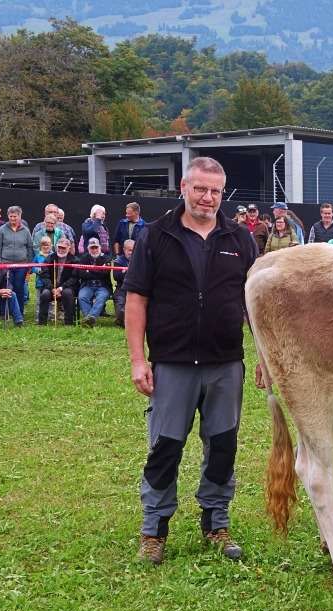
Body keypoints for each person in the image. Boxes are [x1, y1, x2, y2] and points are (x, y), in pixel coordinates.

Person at [123, 156, 258, 565]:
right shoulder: (156, 235)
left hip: (225, 364)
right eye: (200, 188)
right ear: (184, 187)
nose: (207, 197)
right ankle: (154, 530)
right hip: (172, 363)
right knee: (165, 447)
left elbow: (254, 304)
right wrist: (138, 360)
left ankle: (216, 523)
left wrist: (266, 358)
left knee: (223, 446)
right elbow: (136, 299)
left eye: (215, 191)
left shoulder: (239, 239)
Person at [0, 205, 36, 320]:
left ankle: (19, 313)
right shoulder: (2, 229)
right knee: (7, 288)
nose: (13, 218)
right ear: (8, 216)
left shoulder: (25, 230)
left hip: (21, 265)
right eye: (11, 216)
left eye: (15, 216)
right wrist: (0, 263)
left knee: (19, 288)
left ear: (20, 216)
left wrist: (29, 264)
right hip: (5, 265)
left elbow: (30, 247)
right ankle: (5, 313)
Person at [36, 238, 77, 326]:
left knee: (68, 293)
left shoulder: (74, 260)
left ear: (69, 248)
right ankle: (42, 323)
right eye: (59, 247)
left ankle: (69, 323)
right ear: (56, 247)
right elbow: (44, 275)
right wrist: (52, 288)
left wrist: (61, 288)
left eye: (63, 248)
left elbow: (74, 278)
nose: (61, 250)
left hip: (66, 287)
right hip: (51, 287)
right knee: (45, 294)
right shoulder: (50, 258)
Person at [75, 238, 112, 328]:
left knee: (101, 297)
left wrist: (89, 270)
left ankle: (90, 318)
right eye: (92, 248)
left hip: (102, 286)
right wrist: (99, 269)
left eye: (96, 247)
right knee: (82, 297)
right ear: (88, 249)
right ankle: (90, 320)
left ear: (100, 248)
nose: (94, 250)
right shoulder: (83, 258)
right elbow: (81, 274)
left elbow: (105, 273)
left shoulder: (106, 258)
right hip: (87, 285)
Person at [113, 239, 134, 327]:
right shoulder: (118, 261)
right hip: (121, 288)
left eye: (133, 250)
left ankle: (129, 319)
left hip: (135, 289)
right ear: (124, 249)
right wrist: (131, 273)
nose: (131, 252)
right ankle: (122, 318)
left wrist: (125, 272)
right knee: (120, 308)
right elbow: (116, 276)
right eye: (129, 250)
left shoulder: (140, 259)